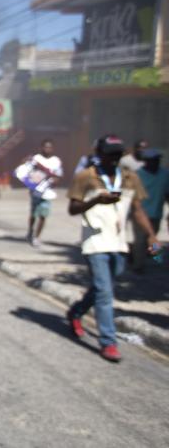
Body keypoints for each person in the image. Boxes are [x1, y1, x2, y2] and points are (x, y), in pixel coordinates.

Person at [66, 135, 158, 362]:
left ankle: (76, 312)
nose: (114, 157)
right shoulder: (85, 177)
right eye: (109, 153)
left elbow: (137, 210)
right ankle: (108, 342)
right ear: (99, 153)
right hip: (93, 241)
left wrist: (151, 235)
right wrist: (95, 201)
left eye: (118, 153)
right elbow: (73, 209)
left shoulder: (129, 178)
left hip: (117, 242)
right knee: (105, 292)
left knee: (103, 286)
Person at [21, 139, 63, 248]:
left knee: (43, 215)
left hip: (47, 192)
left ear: (52, 149)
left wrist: (55, 181)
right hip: (35, 191)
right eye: (45, 147)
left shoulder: (56, 161)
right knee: (33, 214)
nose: (47, 149)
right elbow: (26, 169)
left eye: (49, 147)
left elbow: (58, 175)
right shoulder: (36, 158)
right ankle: (30, 231)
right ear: (41, 148)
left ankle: (37, 237)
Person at [135, 149, 169, 269]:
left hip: (156, 213)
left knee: (153, 236)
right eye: (152, 161)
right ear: (146, 162)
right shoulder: (137, 175)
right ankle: (138, 265)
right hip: (140, 213)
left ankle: (156, 258)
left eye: (157, 160)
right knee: (140, 240)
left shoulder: (165, 174)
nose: (155, 163)